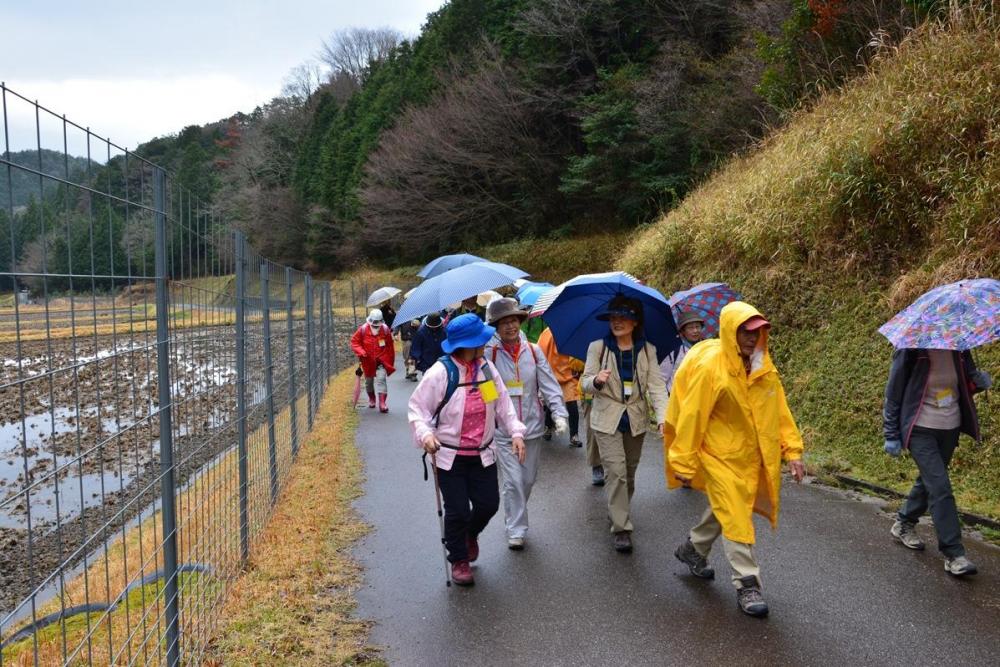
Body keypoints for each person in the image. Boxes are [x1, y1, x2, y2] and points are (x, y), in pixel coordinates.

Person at [664, 301, 804, 618]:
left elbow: (779, 410)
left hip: (747, 455)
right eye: (745, 332)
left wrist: (792, 450)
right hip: (715, 453)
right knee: (737, 514)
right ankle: (747, 583)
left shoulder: (762, 366)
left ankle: (693, 549)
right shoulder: (710, 368)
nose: (752, 339)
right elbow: (692, 415)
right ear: (730, 331)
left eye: (758, 332)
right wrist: (683, 462)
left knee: (727, 507)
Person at [408, 314, 527, 586]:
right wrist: (426, 434)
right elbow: (418, 410)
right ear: (469, 345)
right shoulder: (440, 373)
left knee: (489, 504)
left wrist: (516, 432)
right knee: (458, 510)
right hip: (450, 456)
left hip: (483, 452)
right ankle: (459, 560)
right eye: (481, 341)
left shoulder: (486, 369)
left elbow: (502, 405)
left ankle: (469, 534)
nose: (485, 345)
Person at [883, 347, 991, 576]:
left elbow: (967, 383)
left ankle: (903, 523)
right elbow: (894, 393)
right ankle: (954, 554)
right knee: (940, 487)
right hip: (920, 429)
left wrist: (979, 382)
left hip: (949, 428)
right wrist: (890, 433)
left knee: (930, 481)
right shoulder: (911, 349)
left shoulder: (960, 349)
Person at [580, 295, 668, 553]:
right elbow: (585, 382)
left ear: (635, 321)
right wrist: (596, 380)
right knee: (615, 472)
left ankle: (617, 510)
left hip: (636, 418)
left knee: (629, 472)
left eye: (623, 318)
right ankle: (621, 528)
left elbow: (656, 386)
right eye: (613, 318)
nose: (617, 323)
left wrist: (663, 417)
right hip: (606, 417)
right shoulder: (598, 347)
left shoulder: (647, 350)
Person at [484, 298, 568, 549]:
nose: (510, 326)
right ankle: (516, 530)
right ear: (496, 327)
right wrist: (494, 414)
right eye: (503, 323)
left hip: (532, 425)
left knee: (527, 479)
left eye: (513, 321)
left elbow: (549, 382)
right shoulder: (489, 352)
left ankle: (512, 511)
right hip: (503, 429)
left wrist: (559, 413)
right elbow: (487, 389)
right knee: (513, 480)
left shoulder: (533, 350)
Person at [538, 327, 584, 447]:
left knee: (572, 403)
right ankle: (548, 428)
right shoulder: (548, 333)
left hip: (568, 375)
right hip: (552, 375)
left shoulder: (572, 332)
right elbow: (540, 353)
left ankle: (574, 435)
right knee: (551, 403)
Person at [350, 308, 395, 412]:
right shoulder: (363, 329)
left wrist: (389, 363)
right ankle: (372, 399)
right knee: (368, 382)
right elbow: (354, 342)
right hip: (368, 361)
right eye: (374, 323)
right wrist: (361, 351)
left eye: (378, 323)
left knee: (381, 379)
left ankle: (382, 403)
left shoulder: (385, 330)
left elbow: (390, 347)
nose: (376, 325)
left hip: (381, 361)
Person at [659, 309, 706, 395]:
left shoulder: (707, 347)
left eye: (697, 326)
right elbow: (661, 379)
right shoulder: (674, 350)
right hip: (676, 398)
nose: (695, 331)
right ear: (683, 331)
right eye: (690, 328)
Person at [410, 313, 447, 379]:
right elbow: (416, 347)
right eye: (432, 327)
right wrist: (415, 359)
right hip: (427, 363)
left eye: (436, 327)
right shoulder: (421, 332)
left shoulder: (444, 331)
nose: (434, 328)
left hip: (443, 362)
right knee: (429, 383)